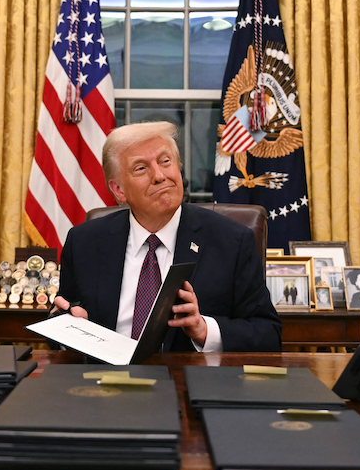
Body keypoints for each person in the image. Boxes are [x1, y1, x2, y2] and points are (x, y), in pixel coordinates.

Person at [52, 122, 281, 352]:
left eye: (165, 161)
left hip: (191, 383)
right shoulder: (84, 243)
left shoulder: (232, 241)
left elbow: (268, 334)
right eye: (141, 168)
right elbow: (61, 325)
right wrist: (67, 326)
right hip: (105, 381)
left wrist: (204, 330)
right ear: (119, 190)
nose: (160, 176)